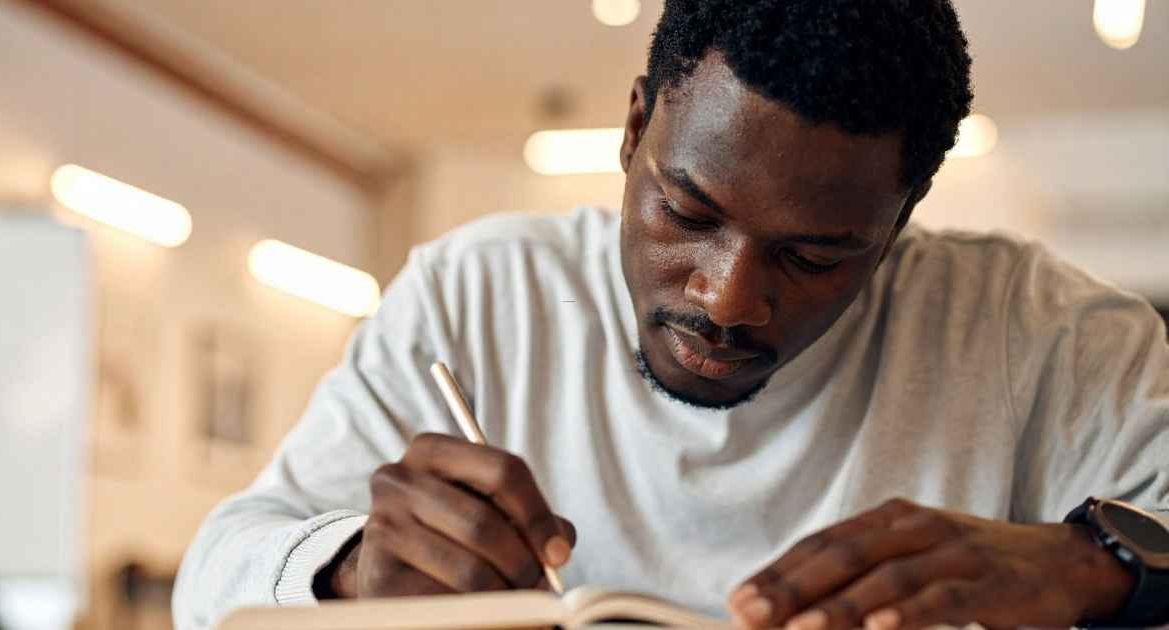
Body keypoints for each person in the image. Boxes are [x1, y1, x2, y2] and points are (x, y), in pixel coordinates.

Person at [172, 2, 1169, 629]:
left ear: (902, 218)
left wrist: (1093, 567)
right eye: (686, 212)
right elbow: (212, 576)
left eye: (813, 255)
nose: (725, 298)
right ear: (635, 126)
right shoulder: (477, 294)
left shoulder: (1053, 341)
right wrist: (352, 571)